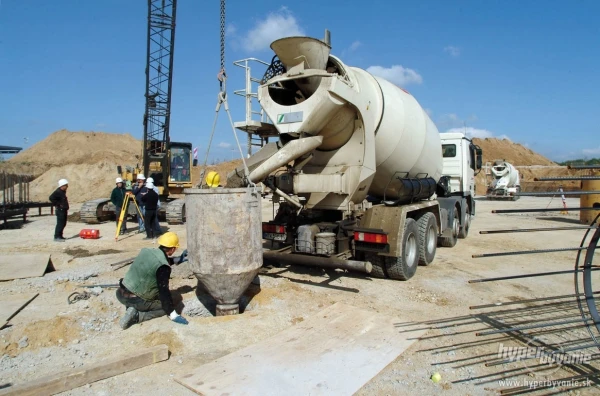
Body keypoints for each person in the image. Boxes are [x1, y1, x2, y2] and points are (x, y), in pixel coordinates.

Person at [116, 232, 189, 330]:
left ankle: (132, 308)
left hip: (120, 294)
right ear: (172, 249)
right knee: (165, 307)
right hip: (136, 300)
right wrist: (173, 314)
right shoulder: (164, 267)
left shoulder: (146, 251)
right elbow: (164, 292)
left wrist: (177, 260)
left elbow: (156, 262)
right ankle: (138, 316)